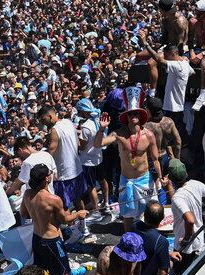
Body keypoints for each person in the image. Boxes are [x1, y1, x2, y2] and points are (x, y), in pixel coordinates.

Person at [95, 87, 162, 232]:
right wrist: (101, 129)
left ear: (141, 115)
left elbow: (155, 159)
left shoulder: (149, 135)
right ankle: (128, 240)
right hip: (126, 180)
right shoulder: (119, 134)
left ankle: (147, 239)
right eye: (130, 114)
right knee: (127, 215)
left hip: (144, 180)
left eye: (136, 113)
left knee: (149, 214)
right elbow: (98, 144)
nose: (133, 116)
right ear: (126, 117)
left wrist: (160, 179)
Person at [23, 164, 87, 275]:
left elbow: (25, 214)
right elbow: (65, 220)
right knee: (63, 271)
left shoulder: (27, 193)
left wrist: (41, 216)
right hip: (52, 240)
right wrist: (78, 214)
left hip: (37, 238)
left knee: (40, 271)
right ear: (46, 178)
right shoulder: (53, 199)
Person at [164, 159, 205, 270]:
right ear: (186, 174)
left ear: (171, 179)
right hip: (199, 240)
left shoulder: (177, 198)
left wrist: (186, 239)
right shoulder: (196, 184)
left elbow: (190, 220)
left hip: (184, 248)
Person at [38, 105, 91, 219]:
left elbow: (52, 149)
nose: (43, 122)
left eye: (43, 119)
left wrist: (40, 161)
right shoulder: (68, 122)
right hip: (76, 169)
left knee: (63, 204)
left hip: (64, 174)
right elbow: (77, 144)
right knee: (78, 199)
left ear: (50, 116)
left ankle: (70, 229)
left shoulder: (54, 130)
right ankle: (83, 226)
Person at [140, 32, 192, 138]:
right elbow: (192, 72)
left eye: (167, 56)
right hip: (175, 106)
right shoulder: (185, 64)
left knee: (170, 134)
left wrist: (145, 43)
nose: (166, 59)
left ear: (173, 54)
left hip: (173, 107)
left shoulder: (177, 66)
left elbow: (158, 60)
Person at [134, 203, 177, 275]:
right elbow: (163, 273)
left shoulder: (134, 225)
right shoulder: (161, 241)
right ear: (162, 219)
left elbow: (145, 247)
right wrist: (170, 261)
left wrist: (167, 253)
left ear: (144, 215)